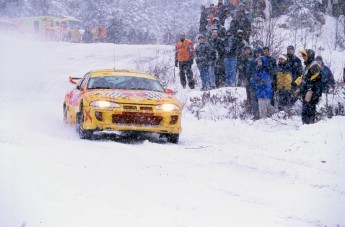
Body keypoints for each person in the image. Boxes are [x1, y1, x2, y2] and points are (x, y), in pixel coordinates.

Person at [297, 49, 322, 124]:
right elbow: (304, 78)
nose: (303, 57)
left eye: (304, 55)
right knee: (306, 110)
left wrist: (310, 90)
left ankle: (309, 127)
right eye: (302, 55)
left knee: (309, 110)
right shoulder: (308, 65)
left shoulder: (314, 65)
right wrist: (297, 84)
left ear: (310, 56)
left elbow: (316, 80)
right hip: (306, 91)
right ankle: (306, 126)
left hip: (311, 93)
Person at [246, 47, 263, 119]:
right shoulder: (252, 61)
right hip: (253, 83)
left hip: (262, 83)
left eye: (259, 53)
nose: (257, 54)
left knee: (262, 99)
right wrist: (251, 79)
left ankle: (262, 114)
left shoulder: (264, 61)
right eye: (256, 53)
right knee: (253, 99)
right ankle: (255, 114)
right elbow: (248, 72)